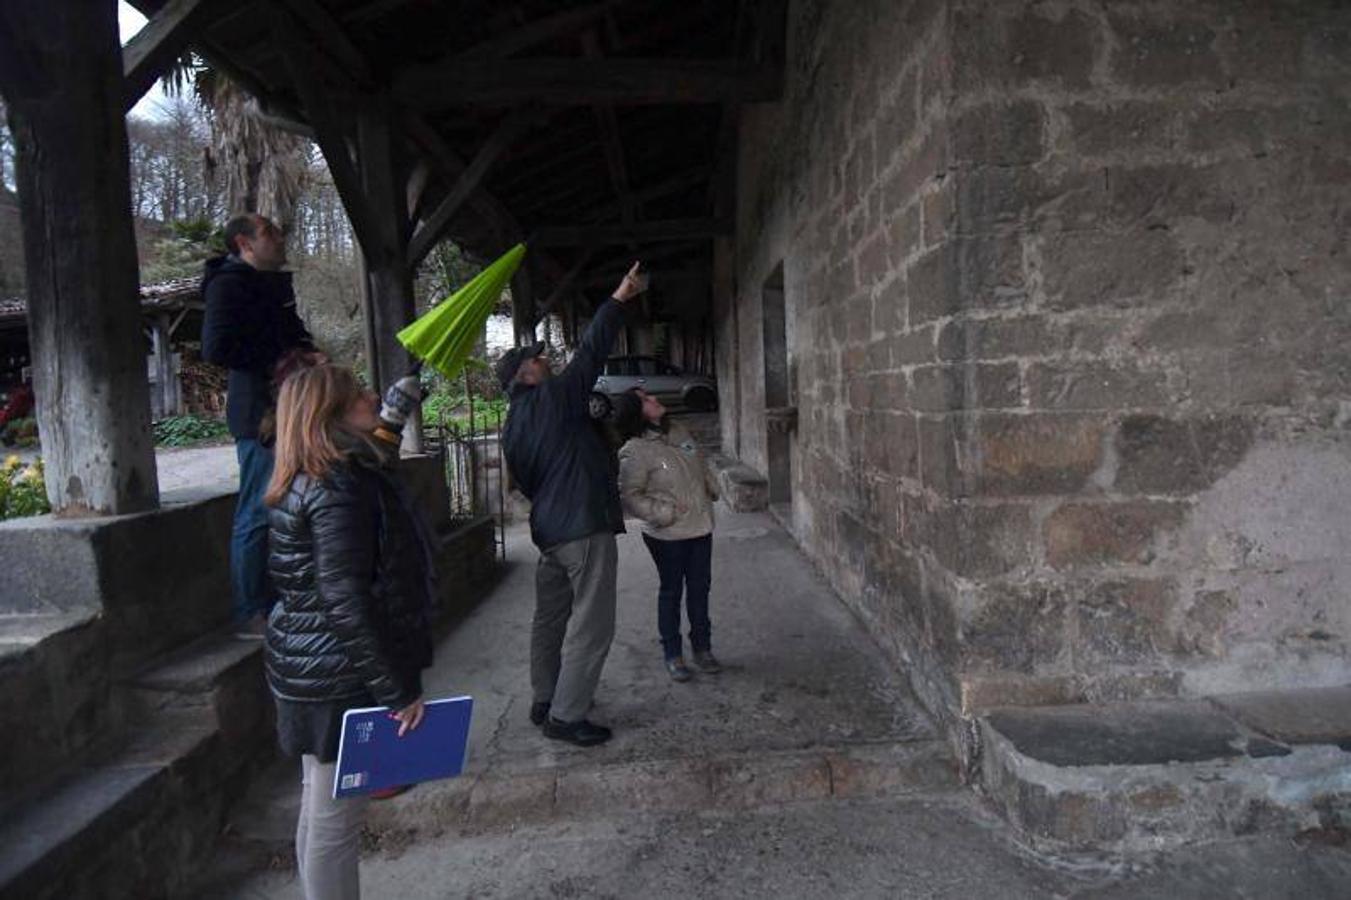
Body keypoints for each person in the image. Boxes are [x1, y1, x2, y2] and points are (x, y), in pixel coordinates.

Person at [263, 364, 434, 900]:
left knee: (320, 808)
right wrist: (395, 690)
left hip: (313, 666)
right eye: (359, 393)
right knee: (336, 825)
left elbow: (379, 454)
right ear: (331, 413)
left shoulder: (318, 472)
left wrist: (395, 412)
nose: (371, 396)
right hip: (339, 677)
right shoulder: (338, 485)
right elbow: (345, 597)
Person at [499, 262, 645, 747]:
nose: (546, 361)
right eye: (538, 360)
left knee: (550, 619)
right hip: (583, 526)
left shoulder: (513, 424)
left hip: (550, 533)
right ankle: (566, 714)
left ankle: (545, 697)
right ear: (526, 374)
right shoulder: (555, 398)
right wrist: (619, 297)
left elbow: (520, 483)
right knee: (592, 621)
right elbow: (591, 354)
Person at [202, 213, 316, 638]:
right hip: (259, 413)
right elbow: (218, 348)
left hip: (290, 408)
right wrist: (280, 357)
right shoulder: (228, 285)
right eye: (269, 232)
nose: (279, 237)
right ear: (244, 244)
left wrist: (307, 351)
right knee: (256, 510)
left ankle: (282, 598)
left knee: (289, 506)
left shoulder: (271, 286)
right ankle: (250, 608)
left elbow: (291, 331)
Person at [615, 388, 722, 681]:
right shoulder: (635, 449)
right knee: (671, 591)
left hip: (700, 526)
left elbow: (698, 463)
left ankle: (703, 648)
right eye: (645, 399)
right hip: (668, 534)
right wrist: (664, 513)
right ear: (637, 412)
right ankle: (673, 654)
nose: (653, 398)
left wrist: (711, 487)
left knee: (700, 589)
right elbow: (630, 496)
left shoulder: (678, 430)